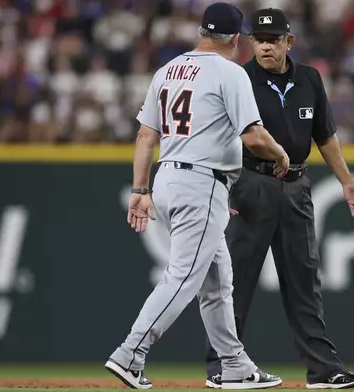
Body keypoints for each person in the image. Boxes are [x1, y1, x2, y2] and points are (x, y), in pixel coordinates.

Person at [104, 3, 290, 390]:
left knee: (218, 281)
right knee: (185, 275)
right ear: (236, 39)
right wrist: (281, 153)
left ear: (201, 33)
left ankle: (234, 364)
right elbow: (253, 136)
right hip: (200, 181)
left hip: (170, 178)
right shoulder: (230, 72)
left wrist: (140, 189)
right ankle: (130, 354)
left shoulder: (167, 70)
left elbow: (145, 136)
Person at [204, 7, 354, 390]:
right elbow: (218, 137)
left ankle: (324, 370)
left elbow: (325, 137)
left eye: (272, 39)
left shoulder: (310, 79)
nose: (264, 46)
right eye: (258, 40)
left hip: (296, 185)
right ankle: (222, 365)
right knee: (237, 281)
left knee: (304, 281)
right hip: (251, 184)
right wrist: (221, 187)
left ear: (288, 42)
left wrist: (346, 181)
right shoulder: (239, 78)